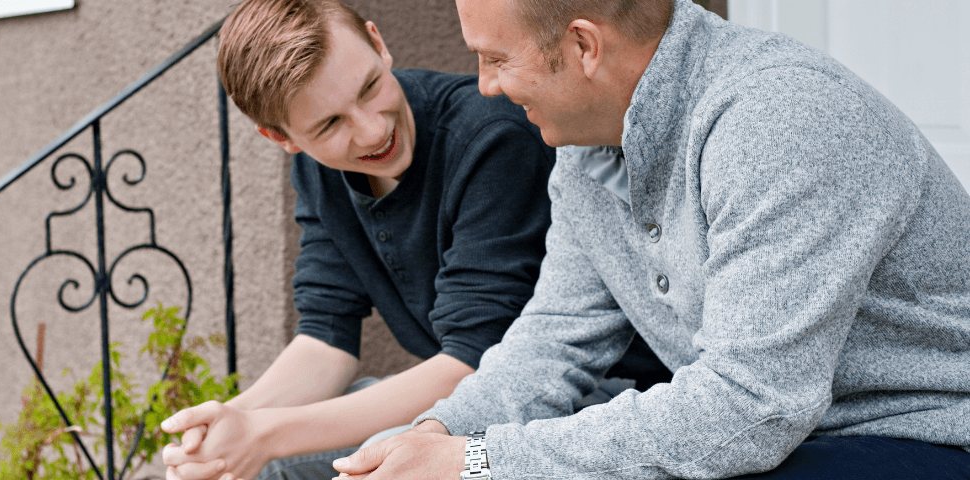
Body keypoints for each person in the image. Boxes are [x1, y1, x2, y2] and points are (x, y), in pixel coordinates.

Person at [330, 0, 970, 478]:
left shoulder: (778, 120)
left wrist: (474, 460)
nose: (486, 84)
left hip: (925, 433)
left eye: (495, 57)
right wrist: (435, 434)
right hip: (794, 437)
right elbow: (554, 338)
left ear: (583, 46)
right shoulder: (586, 151)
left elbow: (750, 408)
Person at [156, 1, 608, 480]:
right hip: (467, 397)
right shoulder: (317, 170)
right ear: (280, 137)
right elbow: (326, 337)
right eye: (329, 125)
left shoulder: (490, 136)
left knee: (368, 460)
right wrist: (231, 427)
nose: (372, 130)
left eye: (370, 87)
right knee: (276, 463)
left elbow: (472, 362)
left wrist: (265, 433)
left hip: (577, 394)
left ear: (378, 43)